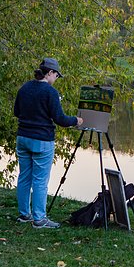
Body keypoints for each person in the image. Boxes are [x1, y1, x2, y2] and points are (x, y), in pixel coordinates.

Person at [13, 58, 83, 229]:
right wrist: (76, 120)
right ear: (50, 73)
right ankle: (39, 219)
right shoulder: (50, 92)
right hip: (42, 141)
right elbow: (60, 119)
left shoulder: (24, 88)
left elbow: (16, 112)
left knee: (24, 177)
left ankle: (24, 214)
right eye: (57, 75)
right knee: (39, 181)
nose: (56, 79)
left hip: (22, 138)